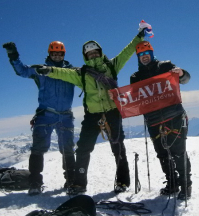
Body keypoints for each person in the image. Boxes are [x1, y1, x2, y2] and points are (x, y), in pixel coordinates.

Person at [34, 30, 145, 195]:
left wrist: (139, 37)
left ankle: (122, 181)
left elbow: (127, 52)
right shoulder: (82, 73)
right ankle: (79, 184)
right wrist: (49, 70)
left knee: (118, 147)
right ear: (86, 56)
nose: (92, 55)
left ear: (100, 53)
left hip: (112, 112)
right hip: (92, 115)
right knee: (83, 148)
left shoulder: (111, 66)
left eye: (95, 52)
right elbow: (64, 73)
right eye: (89, 53)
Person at [2, 41, 77, 195]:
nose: (56, 56)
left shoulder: (72, 71)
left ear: (64, 54)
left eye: (59, 53)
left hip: (65, 115)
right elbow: (22, 71)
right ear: (49, 54)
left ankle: (71, 181)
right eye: (54, 53)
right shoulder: (40, 70)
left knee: (68, 149)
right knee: (38, 149)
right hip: (45, 115)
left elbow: (89, 78)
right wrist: (13, 55)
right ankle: (35, 183)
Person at [130, 41, 192, 200]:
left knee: (178, 152)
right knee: (162, 153)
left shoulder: (166, 67)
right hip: (153, 120)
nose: (144, 57)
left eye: (146, 54)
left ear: (151, 54)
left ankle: (186, 185)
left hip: (174, 116)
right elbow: (135, 97)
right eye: (141, 55)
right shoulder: (136, 77)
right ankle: (172, 183)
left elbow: (185, 79)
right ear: (138, 58)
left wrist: (181, 73)